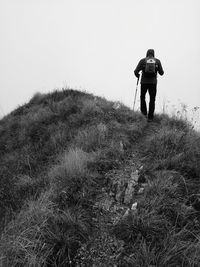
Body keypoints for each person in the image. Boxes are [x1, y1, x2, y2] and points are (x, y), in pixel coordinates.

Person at [134, 49, 164, 121]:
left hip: (144, 82)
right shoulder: (157, 61)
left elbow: (135, 71)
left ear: (146, 53)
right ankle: (150, 117)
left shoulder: (142, 61)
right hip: (153, 83)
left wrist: (138, 75)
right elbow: (162, 73)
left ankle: (144, 114)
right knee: (152, 99)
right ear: (153, 54)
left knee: (142, 97)